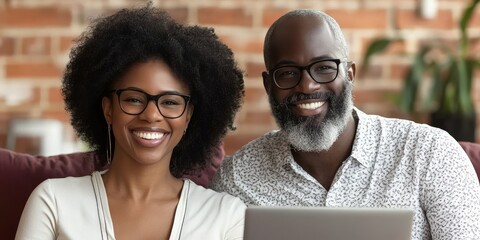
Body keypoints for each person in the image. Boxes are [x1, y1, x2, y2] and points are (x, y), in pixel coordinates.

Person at [210, 9, 480, 240]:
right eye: (288, 73)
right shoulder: (236, 180)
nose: (307, 85)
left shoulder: (429, 153)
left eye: (324, 67)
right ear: (269, 85)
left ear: (349, 74)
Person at [16, 5, 246, 240]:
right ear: (108, 109)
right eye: (134, 99)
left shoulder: (225, 215)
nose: (151, 115)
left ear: (188, 115)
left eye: (170, 102)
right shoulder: (54, 201)